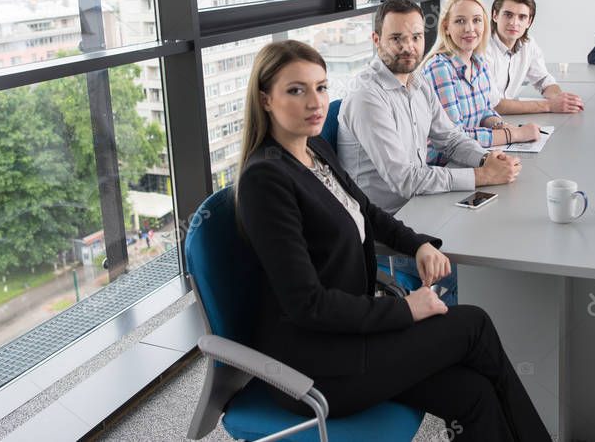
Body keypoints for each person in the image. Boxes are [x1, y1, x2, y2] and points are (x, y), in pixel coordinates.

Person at [236, 40, 551, 442]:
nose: (315, 102)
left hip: (354, 334)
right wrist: (405, 310)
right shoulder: (266, 180)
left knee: (475, 395)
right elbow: (307, 306)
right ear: (265, 99)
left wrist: (417, 243)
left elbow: (366, 211)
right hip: (316, 365)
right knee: (473, 325)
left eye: (321, 87)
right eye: (296, 90)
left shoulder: (313, 148)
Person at [339, 0, 521, 305]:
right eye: (396, 38)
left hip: (423, 205)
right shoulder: (367, 98)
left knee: (503, 238)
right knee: (484, 273)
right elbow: (405, 180)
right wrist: (480, 176)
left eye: (416, 37)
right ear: (376, 40)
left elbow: (449, 138)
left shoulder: (417, 81)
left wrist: (486, 158)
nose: (409, 47)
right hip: (391, 226)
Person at [422, 0, 539, 166]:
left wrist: (502, 125)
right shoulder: (440, 69)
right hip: (443, 165)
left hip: (471, 157)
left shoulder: (479, 61)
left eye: (476, 20)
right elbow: (456, 137)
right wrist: (515, 134)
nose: (470, 28)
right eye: (460, 21)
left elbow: (484, 111)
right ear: (446, 26)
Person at [485, 0, 584, 114]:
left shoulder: (528, 44)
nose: (514, 23)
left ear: (529, 22)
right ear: (495, 15)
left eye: (522, 17)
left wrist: (561, 99)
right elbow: (492, 104)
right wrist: (548, 105)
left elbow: (543, 80)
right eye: (508, 15)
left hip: (504, 119)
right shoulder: (482, 48)